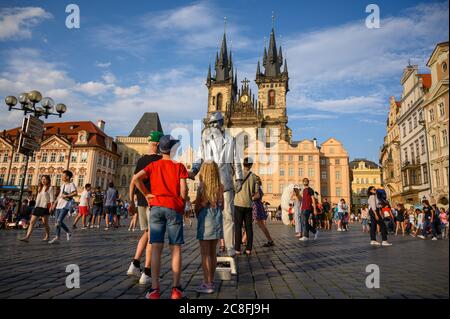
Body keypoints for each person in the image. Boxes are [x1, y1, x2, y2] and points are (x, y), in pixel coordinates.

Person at [131, 135, 188, 299]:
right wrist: (182, 205)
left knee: (156, 248)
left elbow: (136, 179)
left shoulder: (153, 165)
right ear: (173, 149)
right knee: (175, 248)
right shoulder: (179, 167)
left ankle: (155, 290)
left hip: (155, 207)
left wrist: (147, 194)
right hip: (173, 207)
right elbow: (183, 191)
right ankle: (176, 290)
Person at [189, 112, 243, 258]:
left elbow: (237, 160)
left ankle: (230, 247)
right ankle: (213, 246)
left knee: (228, 215)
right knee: (209, 215)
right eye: (210, 124)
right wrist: (193, 170)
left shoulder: (231, 140)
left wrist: (239, 179)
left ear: (221, 123)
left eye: (214, 123)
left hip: (225, 182)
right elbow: (199, 157)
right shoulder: (205, 140)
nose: (212, 126)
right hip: (209, 182)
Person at [127, 130, 163, 285]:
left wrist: (131, 202)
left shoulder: (141, 160)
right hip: (153, 201)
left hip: (141, 202)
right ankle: (147, 272)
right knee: (153, 237)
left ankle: (135, 264)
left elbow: (133, 181)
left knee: (147, 233)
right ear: (158, 144)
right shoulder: (161, 160)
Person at [194, 161, 224, 294]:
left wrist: (198, 209)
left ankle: (207, 283)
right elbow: (222, 206)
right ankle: (211, 280)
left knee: (205, 254)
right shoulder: (220, 187)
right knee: (212, 253)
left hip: (206, 220)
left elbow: (198, 206)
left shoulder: (202, 187)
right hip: (217, 220)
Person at [234, 157, 259, 256]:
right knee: (249, 228)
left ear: (243, 164)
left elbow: (234, 187)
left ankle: (237, 249)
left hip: (238, 203)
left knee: (238, 227)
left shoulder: (237, 175)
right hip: (248, 205)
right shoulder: (254, 177)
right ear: (251, 165)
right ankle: (248, 249)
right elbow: (255, 192)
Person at [19, 175, 53, 242]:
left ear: (48, 180)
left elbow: (52, 199)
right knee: (32, 222)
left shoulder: (50, 188)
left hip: (45, 207)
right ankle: (27, 237)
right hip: (37, 207)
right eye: (42, 179)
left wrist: (51, 207)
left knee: (44, 223)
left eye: (45, 179)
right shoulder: (40, 187)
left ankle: (48, 235)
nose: (43, 180)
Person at [49, 170, 77, 244]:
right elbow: (59, 195)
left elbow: (75, 193)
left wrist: (67, 195)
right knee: (56, 223)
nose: (62, 177)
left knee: (58, 222)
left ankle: (68, 232)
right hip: (59, 205)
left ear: (67, 177)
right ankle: (57, 237)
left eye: (63, 176)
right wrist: (54, 204)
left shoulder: (71, 184)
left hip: (66, 205)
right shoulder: (63, 185)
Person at [252, 178, 274, 247]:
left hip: (255, 206)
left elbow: (257, 196)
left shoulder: (256, 187)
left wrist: (250, 198)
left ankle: (243, 240)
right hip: (258, 206)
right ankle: (270, 240)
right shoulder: (259, 188)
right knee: (261, 225)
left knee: (251, 224)